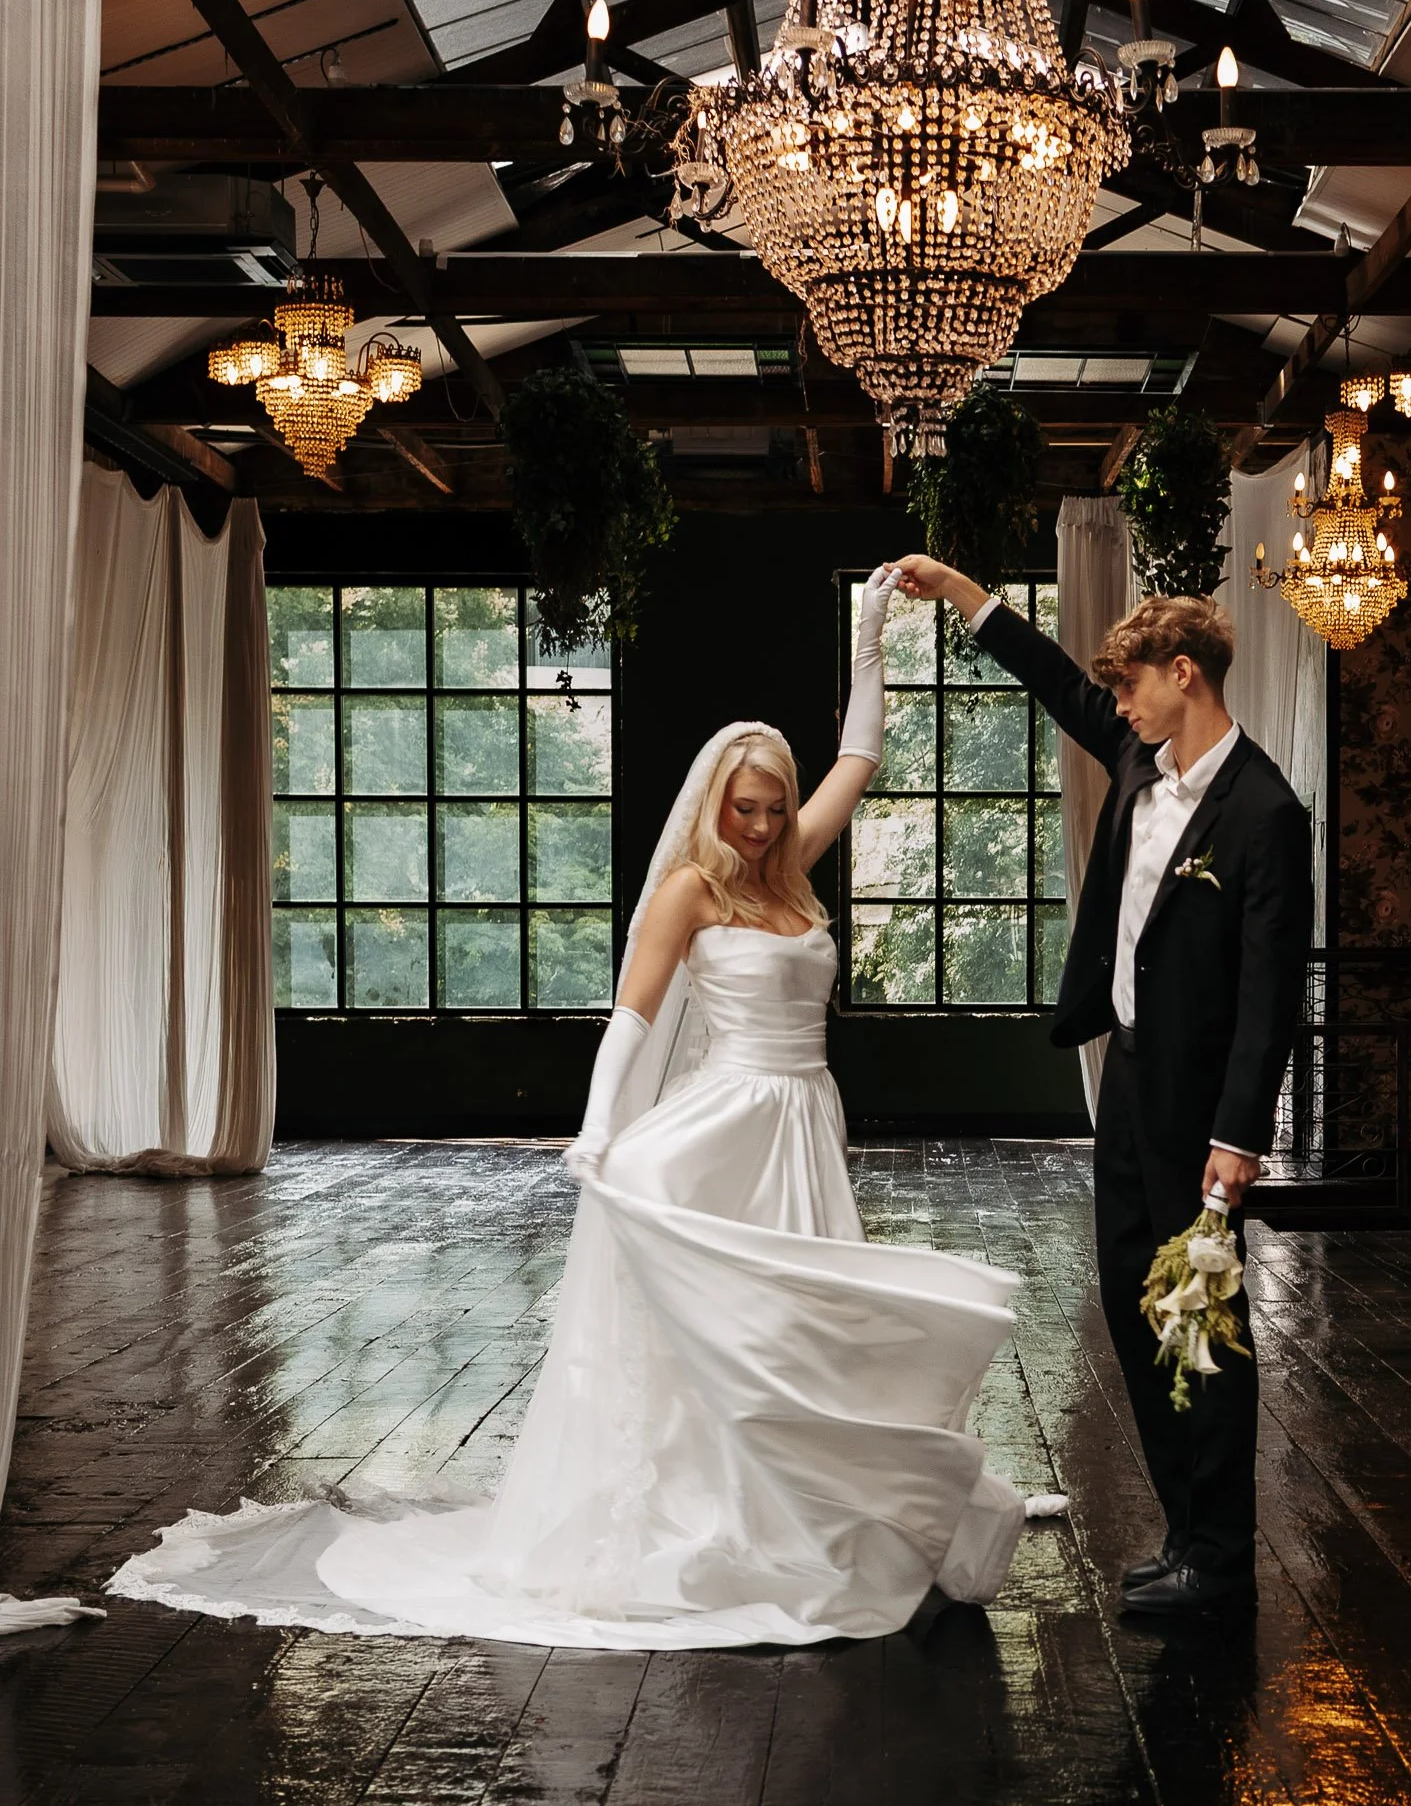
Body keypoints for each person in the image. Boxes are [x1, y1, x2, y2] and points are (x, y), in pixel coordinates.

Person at [109, 568, 1049, 1650]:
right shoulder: (693, 888)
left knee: (801, 1322)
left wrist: (872, 632)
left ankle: (822, 1503)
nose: (754, 824)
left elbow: (862, 756)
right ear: (713, 805)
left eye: (771, 806)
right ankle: (718, 1510)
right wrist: (602, 1128)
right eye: (739, 808)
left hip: (802, 1122)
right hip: (724, 1121)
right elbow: (634, 1020)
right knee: (730, 1326)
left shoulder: (795, 867)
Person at [892, 559, 1313, 1616]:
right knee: (1137, 1309)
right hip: (1126, 1078)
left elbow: (1270, 995)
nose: (1117, 703)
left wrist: (1238, 1135)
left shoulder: (1266, 811)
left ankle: (1218, 1557)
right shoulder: (1141, 754)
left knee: (1199, 1319)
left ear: (1185, 672)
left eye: (1132, 683)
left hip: (1200, 1111)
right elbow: (1057, 685)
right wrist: (959, 593)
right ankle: (1185, 1533)